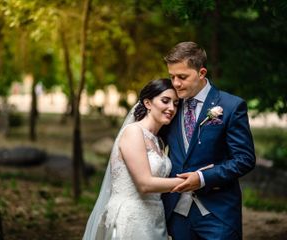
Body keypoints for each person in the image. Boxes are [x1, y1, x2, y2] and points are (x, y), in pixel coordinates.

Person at [161, 41, 256, 240]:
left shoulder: (231, 106)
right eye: (172, 77)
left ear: (202, 72)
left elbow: (244, 159)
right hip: (177, 213)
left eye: (182, 77)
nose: (176, 83)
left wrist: (203, 178)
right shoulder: (170, 106)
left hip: (217, 213)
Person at [83, 78, 186, 240]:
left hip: (154, 219)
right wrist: (192, 182)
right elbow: (144, 184)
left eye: (175, 103)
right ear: (148, 103)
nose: (171, 108)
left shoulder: (158, 141)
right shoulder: (133, 132)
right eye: (165, 101)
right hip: (131, 219)